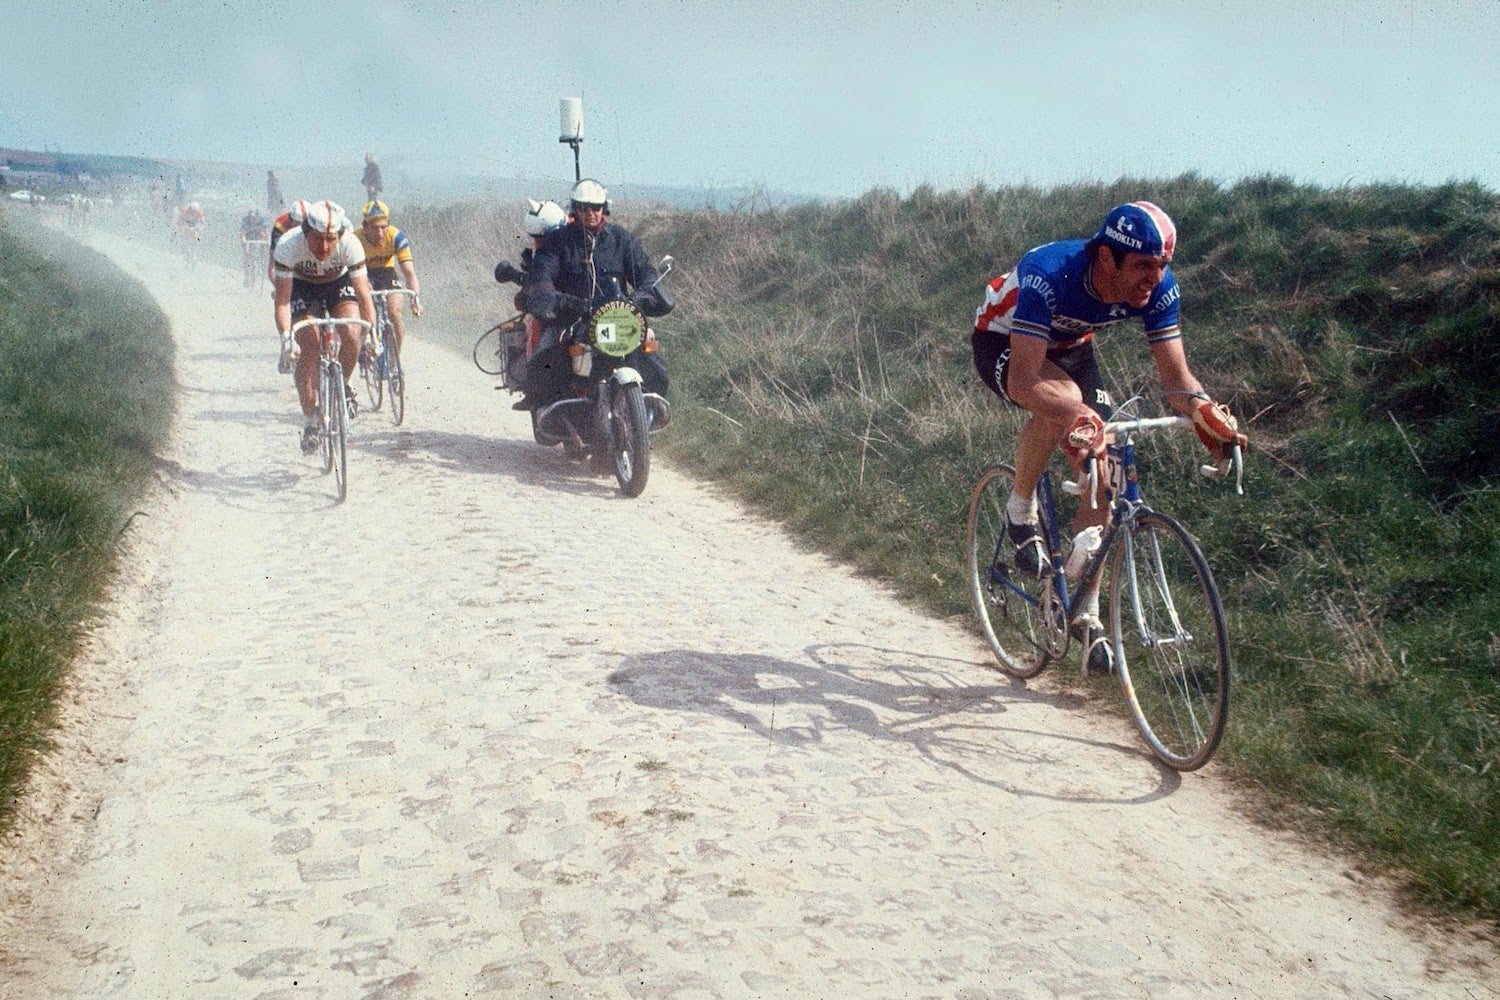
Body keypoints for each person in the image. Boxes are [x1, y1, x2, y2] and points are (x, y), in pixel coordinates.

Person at [972, 200, 1247, 674]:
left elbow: (1176, 380)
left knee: (1109, 459)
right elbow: (1024, 381)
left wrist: (1203, 408)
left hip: (1071, 348)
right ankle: (1019, 511)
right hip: (1004, 341)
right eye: (1143, 266)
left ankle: (1084, 608)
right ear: (1106, 258)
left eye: (1163, 265)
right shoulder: (1049, 273)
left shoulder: (1159, 288)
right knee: (1064, 403)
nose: (1154, 278)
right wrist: (1074, 412)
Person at [520, 178, 671, 412]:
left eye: (595, 207)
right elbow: (543, 276)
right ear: (575, 209)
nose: (590, 213)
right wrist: (550, 296)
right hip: (573, 317)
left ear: (604, 208)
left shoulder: (620, 239)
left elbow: (644, 271)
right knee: (544, 361)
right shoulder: (557, 242)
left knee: (653, 361)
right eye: (584, 207)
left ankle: (649, 407)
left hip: (618, 316)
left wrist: (644, 293)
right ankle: (548, 412)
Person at [271, 200, 375, 452]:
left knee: (352, 332)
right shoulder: (288, 245)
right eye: (317, 239)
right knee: (308, 344)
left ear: (340, 235)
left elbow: (364, 296)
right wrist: (286, 339)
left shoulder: (351, 244)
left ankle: (344, 384)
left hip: (337, 283)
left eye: (331, 239)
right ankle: (309, 420)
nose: (324, 247)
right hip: (302, 286)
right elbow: (282, 301)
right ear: (305, 232)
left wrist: (372, 335)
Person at [492, 198, 568, 389]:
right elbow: (538, 281)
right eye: (536, 238)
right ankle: (536, 392)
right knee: (538, 345)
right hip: (557, 312)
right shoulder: (541, 250)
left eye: (542, 238)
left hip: (587, 309)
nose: (539, 242)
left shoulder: (579, 244)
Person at [354, 199, 423, 358]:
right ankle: (366, 343)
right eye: (374, 228)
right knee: (365, 316)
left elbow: (409, 273)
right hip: (362, 273)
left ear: (389, 224)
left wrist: (415, 300)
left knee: (394, 313)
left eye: (383, 227)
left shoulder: (396, 236)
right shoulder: (355, 239)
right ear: (364, 227)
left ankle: (394, 360)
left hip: (386, 272)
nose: (380, 233)